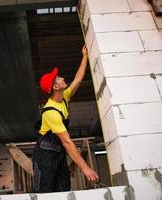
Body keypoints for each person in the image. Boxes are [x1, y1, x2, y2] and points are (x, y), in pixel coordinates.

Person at [33, 45, 99, 193]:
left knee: (64, 188)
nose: (62, 77)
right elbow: (67, 142)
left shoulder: (64, 97)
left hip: (58, 152)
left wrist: (85, 56)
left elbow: (78, 80)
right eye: (58, 78)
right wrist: (86, 168)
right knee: (45, 192)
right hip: (45, 154)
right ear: (55, 87)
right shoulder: (51, 112)